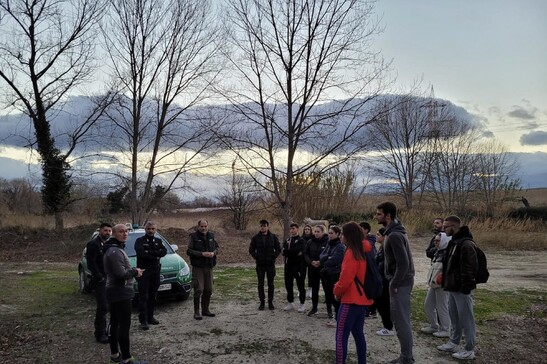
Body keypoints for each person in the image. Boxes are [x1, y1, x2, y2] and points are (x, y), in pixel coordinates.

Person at [375, 202, 415, 364]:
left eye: (379, 214)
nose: (376, 216)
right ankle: (405, 356)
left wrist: (394, 283)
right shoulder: (394, 232)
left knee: (401, 321)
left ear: (388, 216)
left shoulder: (395, 235)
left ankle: (406, 358)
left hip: (401, 283)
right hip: (400, 282)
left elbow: (403, 264)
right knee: (400, 320)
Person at [437, 216, 478, 361]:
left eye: (446, 226)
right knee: (454, 316)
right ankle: (454, 342)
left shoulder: (466, 244)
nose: (443, 229)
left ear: (454, 226)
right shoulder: (454, 242)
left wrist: (466, 288)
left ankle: (469, 349)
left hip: (462, 289)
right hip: (452, 287)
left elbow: (470, 269)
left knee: (466, 319)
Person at [103, 224, 146, 364]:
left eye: (126, 231)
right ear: (114, 234)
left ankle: (115, 356)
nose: (125, 233)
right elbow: (121, 274)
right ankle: (127, 359)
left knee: (115, 323)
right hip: (120, 292)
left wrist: (132, 270)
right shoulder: (114, 251)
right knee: (123, 325)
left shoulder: (115, 249)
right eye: (121, 231)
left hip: (115, 291)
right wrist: (135, 272)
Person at [333, 222, 374, 364]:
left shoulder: (352, 253)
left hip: (351, 300)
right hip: (362, 299)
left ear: (349, 236)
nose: (340, 236)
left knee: (340, 336)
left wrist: (336, 290)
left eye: (343, 234)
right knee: (358, 334)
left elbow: (345, 279)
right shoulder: (365, 250)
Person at [134, 222, 167, 330]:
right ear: (145, 229)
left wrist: (151, 253)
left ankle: (150, 317)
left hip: (155, 271)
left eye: (153, 228)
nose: (151, 230)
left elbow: (164, 251)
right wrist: (155, 254)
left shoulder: (158, 240)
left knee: (153, 295)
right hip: (144, 271)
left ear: (155, 230)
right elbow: (141, 253)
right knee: (144, 296)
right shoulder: (140, 241)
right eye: (149, 228)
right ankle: (143, 320)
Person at [187, 219, 219, 320]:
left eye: (205, 226)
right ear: (198, 227)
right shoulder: (193, 236)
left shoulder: (211, 236)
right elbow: (189, 251)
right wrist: (201, 254)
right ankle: (197, 312)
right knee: (199, 289)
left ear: (208, 226)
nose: (204, 228)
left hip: (209, 266)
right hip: (198, 267)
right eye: (202, 226)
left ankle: (205, 310)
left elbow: (217, 248)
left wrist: (213, 253)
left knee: (208, 289)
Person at [86, 222, 112, 344]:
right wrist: (100, 277)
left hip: (111, 279)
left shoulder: (109, 243)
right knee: (102, 307)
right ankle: (100, 333)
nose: (107, 233)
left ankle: (107, 331)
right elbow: (91, 263)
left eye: (109, 231)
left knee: (109, 307)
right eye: (105, 230)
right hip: (101, 280)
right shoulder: (93, 244)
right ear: (100, 230)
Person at [421, 232, 451, 338]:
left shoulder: (449, 253)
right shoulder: (438, 251)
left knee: (442, 306)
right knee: (428, 305)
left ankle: (446, 329)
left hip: (442, 285)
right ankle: (434, 326)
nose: (435, 242)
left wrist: (443, 279)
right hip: (434, 284)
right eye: (435, 240)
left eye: (438, 240)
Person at [249, 219, 281, 310]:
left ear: (268, 226)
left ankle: (270, 302)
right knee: (260, 284)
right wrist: (257, 257)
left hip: (270, 264)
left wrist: (273, 257)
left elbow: (278, 249)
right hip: (260, 265)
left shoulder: (273, 237)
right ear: (260, 227)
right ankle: (262, 302)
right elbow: (251, 250)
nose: (263, 227)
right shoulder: (255, 238)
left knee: (271, 284)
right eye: (261, 226)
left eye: (264, 226)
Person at [320, 225, 345, 327]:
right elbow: (321, 256)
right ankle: (332, 315)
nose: (329, 235)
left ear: (338, 234)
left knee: (336, 297)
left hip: (335, 274)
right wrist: (327, 257)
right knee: (328, 295)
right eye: (329, 233)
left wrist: (326, 259)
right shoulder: (329, 244)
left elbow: (335, 260)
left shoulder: (340, 246)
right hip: (326, 273)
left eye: (332, 233)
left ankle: (338, 319)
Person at [304, 224, 329, 316]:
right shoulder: (310, 242)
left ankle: (329, 309)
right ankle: (314, 308)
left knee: (327, 289)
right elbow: (306, 253)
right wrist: (311, 262)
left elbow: (329, 254)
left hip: (324, 269)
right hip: (313, 268)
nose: (316, 233)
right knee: (315, 289)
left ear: (323, 232)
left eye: (318, 232)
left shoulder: (328, 242)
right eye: (315, 231)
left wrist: (320, 262)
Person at [282, 223, 307, 313]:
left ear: (297, 229)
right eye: (291, 229)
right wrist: (290, 252)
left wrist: (289, 252)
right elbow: (283, 251)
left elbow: (298, 251)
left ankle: (302, 304)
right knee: (288, 285)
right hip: (288, 266)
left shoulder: (301, 240)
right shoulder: (288, 240)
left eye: (293, 228)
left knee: (300, 285)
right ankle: (290, 302)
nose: (292, 230)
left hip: (298, 266)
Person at [374, 228, 395, 336]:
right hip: (380, 279)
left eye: (378, 234)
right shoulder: (382, 247)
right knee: (380, 303)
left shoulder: (387, 249)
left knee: (384, 303)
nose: (376, 236)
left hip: (385, 280)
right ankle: (387, 325)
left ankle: (389, 327)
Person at [359, 221, 377, 318]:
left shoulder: (370, 240)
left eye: (361, 229)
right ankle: (366, 309)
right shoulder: (361, 240)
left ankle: (372, 310)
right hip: (363, 267)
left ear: (366, 230)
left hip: (370, 267)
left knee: (369, 288)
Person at [302, 224, 314, 298]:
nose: (307, 230)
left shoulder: (313, 239)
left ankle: (310, 290)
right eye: (305, 229)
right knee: (302, 275)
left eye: (308, 229)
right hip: (302, 259)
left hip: (310, 259)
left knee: (311, 275)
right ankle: (302, 290)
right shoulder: (301, 238)